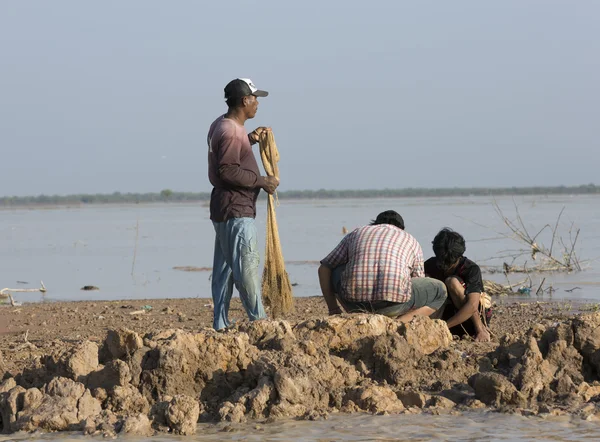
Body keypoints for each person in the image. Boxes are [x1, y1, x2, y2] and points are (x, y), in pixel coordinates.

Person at [207, 78, 279, 330]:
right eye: (255, 98)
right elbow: (227, 170)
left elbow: (232, 152)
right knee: (246, 267)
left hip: (226, 207)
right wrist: (261, 181)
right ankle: (259, 322)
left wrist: (250, 139)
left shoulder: (223, 125)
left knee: (225, 270)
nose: (257, 103)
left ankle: (221, 325)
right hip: (236, 208)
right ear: (244, 101)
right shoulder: (229, 131)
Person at [318, 210, 447, 321]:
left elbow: (324, 268)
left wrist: (333, 309)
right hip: (393, 306)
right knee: (440, 291)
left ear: (375, 224)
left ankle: (356, 315)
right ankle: (401, 321)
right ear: (401, 228)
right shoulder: (410, 240)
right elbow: (417, 279)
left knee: (334, 269)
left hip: (354, 305)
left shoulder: (356, 233)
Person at [424, 228, 492, 342]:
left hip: (468, 322)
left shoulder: (470, 269)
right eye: (441, 261)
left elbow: (472, 305)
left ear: (458, 257)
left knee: (452, 282)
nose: (444, 266)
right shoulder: (430, 265)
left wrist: (443, 326)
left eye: (449, 262)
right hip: (444, 318)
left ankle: (480, 329)